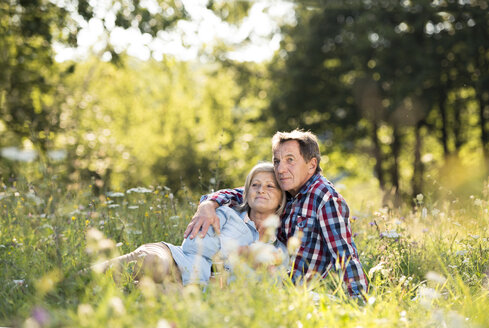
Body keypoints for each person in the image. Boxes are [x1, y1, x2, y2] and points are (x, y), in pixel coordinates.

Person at [185, 130, 368, 297]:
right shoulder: (287, 188)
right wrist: (209, 203)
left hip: (303, 294)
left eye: (290, 160)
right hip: (271, 282)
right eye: (277, 161)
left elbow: (345, 255)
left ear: (311, 165)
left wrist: (360, 301)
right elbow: (247, 192)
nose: (280, 169)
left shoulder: (325, 199)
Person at [91, 162, 288, 286]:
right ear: (246, 192)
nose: (261, 190)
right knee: (151, 261)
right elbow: (194, 247)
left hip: (198, 290)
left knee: (155, 294)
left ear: (281, 199)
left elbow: (264, 284)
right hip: (177, 260)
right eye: (255, 185)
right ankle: (79, 280)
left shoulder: (278, 247)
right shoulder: (225, 213)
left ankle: (97, 295)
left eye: (270, 186)